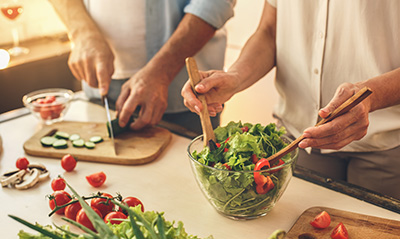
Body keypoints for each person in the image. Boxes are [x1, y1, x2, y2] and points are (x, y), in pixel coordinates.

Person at [181, 0, 400, 199]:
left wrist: (371, 97)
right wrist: (236, 77)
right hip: (297, 141)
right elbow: (270, 31)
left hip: (385, 147)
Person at [48, 0, 236, 135]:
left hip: (183, 95)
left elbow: (214, 3)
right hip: (99, 90)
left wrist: (161, 72)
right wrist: (82, 33)